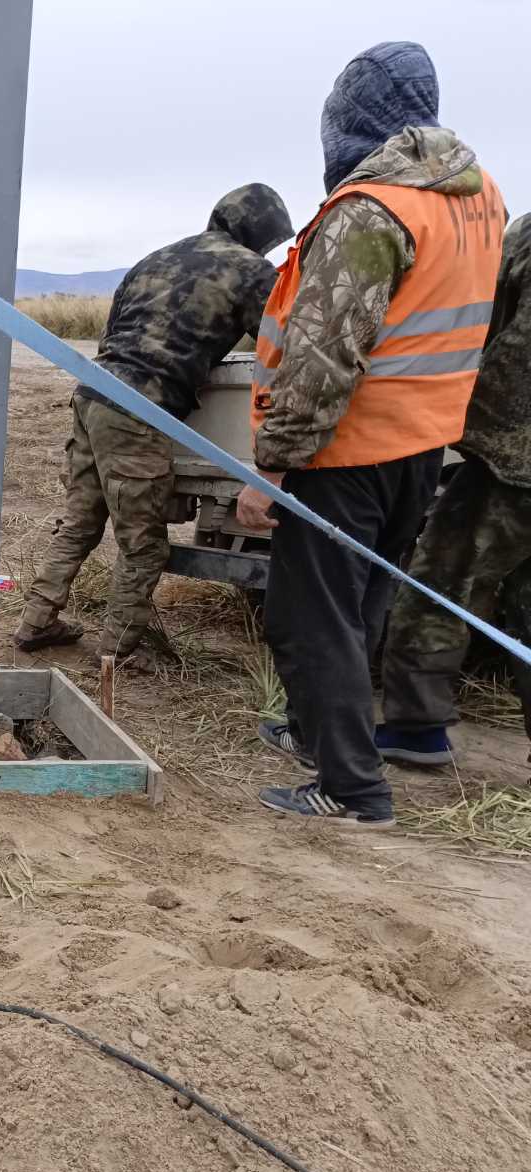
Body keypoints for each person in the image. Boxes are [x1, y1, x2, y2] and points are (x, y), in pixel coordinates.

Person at [237, 41, 506, 828]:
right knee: (363, 603)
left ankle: (351, 789)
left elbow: (321, 355)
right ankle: (322, 728)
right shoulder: (479, 192)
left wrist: (274, 469)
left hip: (346, 448)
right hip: (422, 445)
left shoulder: (372, 210)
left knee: (309, 616)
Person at [13, 183, 294, 665]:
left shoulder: (156, 258)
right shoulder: (251, 271)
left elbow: (112, 337)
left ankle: (36, 621)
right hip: (140, 412)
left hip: (92, 397)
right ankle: (119, 652)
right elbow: (276, 346)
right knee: (143, 546)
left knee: (81, 522)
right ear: (261, 234)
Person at [379, 214, 531, 765]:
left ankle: (416, 729)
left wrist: (458, 419)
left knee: (441, 582)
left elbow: (495, 338)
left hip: (513, 461)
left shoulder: (526, 237)